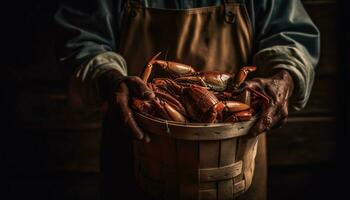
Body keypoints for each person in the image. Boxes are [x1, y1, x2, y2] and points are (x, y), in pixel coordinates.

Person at [55, 0, 320, 199]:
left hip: (237, 160)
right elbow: (82, 40)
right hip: (137, 141)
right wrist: (110, 80)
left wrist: (284, 75)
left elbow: (291, 34)